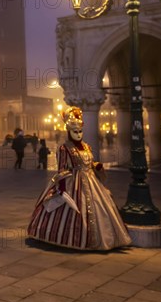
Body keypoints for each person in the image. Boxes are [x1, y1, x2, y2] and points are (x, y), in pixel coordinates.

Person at [27, 107, 131, 250]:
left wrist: (96, 166)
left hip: (91, 181)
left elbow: (89, 163)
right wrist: (62, 188)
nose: (78, 134)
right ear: (69, 132)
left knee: (102, 208)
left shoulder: (87, 146)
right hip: (73, 182)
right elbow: (62, 169)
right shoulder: (64, 148)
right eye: (75, 132)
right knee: (72, 211)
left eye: (80, 131)